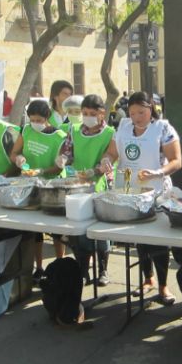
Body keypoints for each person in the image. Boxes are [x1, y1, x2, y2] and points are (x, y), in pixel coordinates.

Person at [100, 91, 182, 305]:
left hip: (156, 191)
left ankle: (164, 286)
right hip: (130, 190)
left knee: (157, 242)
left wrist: (158, 172)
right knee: (140, 240)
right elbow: (112, 153)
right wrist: (106, 161)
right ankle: (148, 278)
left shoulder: (163, 128)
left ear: (151, 109)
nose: (137, 117)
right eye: (133, 112)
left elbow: (176, 161)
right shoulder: (124, 127)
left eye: (142, 112)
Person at [58, 94, 116, 285]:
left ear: (101, 113)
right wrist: (63, 159)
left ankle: (104, 269)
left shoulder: (109, 133)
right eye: (84, 113)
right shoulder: (74, 130)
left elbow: (110, 157)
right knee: (81, 232)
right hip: (79, 186)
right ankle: (83, 270)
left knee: (100, 232)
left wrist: (97, 169)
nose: (87, 117)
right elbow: (67, 151)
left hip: (100, 185)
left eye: (92, 113)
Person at [10, 100, 69, 282]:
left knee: (56, 231)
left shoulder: (59, 136)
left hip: (52, 188)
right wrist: (18, 159)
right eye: (32, 119)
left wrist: (42, 171)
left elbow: (59, 167)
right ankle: (39, 267)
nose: (35, 123)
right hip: (31, 185)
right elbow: (14, 152)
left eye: (39, 119)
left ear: (47, 118)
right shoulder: (26, 130)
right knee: (35, 231)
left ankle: (60, 265)